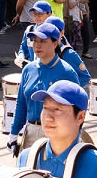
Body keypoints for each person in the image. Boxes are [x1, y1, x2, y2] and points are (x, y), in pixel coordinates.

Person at [10, 23, 83, 152]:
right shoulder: (28, 69)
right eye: (35, 41)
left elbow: (78, 110)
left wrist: (73, 138)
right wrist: (14, 133)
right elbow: (21, 104)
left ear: (55, 43)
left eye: (43, 41)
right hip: (31, 131)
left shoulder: (67, 72)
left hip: (57, 133)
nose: (37, 45)